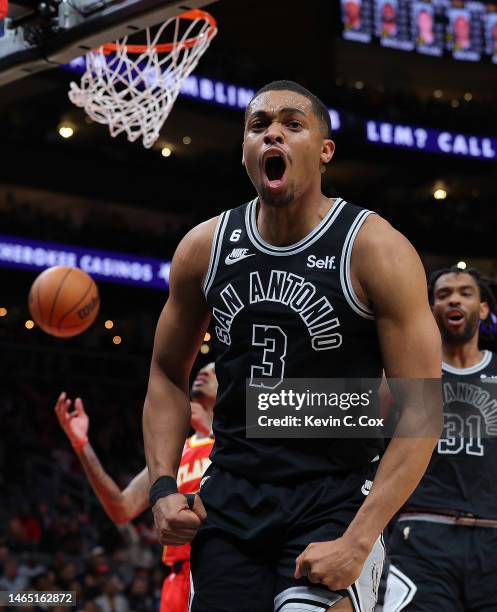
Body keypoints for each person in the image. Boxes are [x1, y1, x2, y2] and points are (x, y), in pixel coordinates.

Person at [143, 80, 441, 612]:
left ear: (324, 151)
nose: (272, 133)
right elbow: (167, 373)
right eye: (258, 126)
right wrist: (163, 486)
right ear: (245, 151)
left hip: (335, 496)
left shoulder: (375, 248)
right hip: (231, 498)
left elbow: (422, 410)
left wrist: (359, 537)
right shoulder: (204, 247)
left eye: (292, 124)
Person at [55, 363, 217, 612]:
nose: (204, 373)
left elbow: (296, 420)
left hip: (219, 570)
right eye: (201, 370)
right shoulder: (175, 451)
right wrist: (81, 445)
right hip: (177, 579)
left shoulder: (236, 444)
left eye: (214, 371)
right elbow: (122, 507)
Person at [383, 267, 497, 611]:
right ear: (430, 308)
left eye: (465, 292)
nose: (454, 299)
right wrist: (257, 408)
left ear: (483, 309)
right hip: (421, 535)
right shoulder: (407, 373)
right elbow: (337, 416)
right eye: (443, 294)